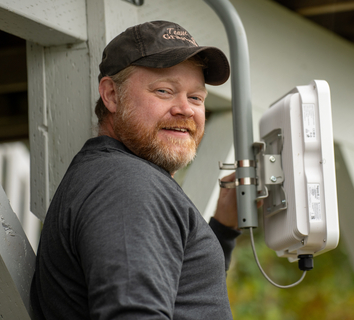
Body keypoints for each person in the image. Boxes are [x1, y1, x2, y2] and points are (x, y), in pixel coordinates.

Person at [30, 20, 240, 320]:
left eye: (196, 97)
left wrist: (224, 230)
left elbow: (184, 292)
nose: (186, 109)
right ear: (112, 95)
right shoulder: (126, 185)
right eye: (165, 90)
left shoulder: (119, 179)